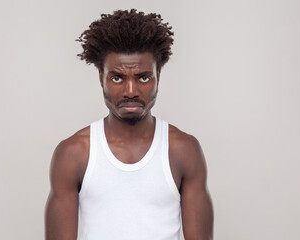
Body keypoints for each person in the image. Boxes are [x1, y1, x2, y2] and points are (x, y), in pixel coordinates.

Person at [45, 9, 213, 240]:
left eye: (143, 77)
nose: (131, 91)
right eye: (117, 78)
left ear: (158, 77)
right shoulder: (73, 153)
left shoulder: (183, 150)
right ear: (101, 78)